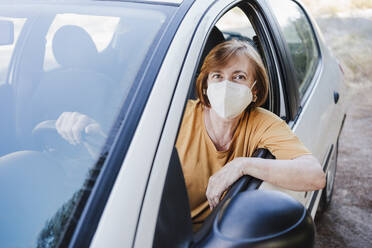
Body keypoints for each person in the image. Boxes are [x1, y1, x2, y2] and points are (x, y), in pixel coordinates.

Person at [175, 39, 326, 230]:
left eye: (238, 77)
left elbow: (314, 176)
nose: (226, 85)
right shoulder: (177, 118)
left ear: (254, 90)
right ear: (205, 85)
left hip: (215, 235)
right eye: (217, 76)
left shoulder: (261, 123)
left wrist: (242, 165)